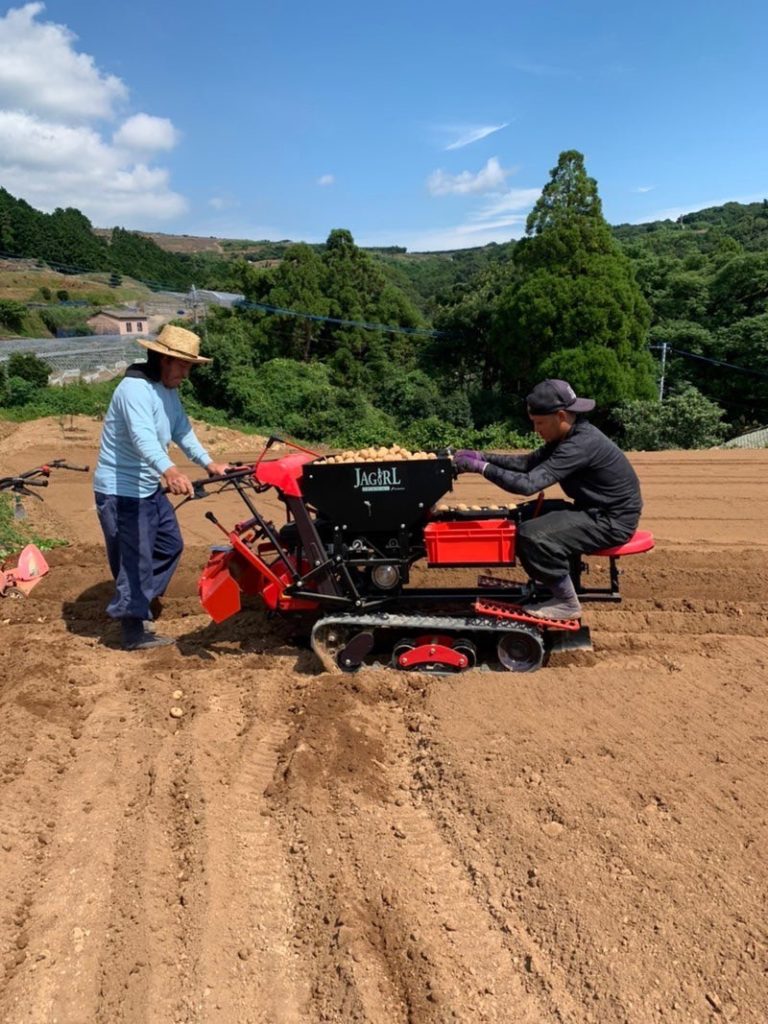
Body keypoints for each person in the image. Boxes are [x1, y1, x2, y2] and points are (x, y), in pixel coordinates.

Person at [454, 379, 642, 621]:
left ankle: (566, 602)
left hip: (612, 521)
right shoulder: (567, 436)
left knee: (532, 534)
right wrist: (480, 456)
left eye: (539, 423)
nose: (536, 430)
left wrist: (481, 467)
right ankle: (552, 584)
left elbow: (528, 484)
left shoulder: (580, 444)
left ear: (561, 415)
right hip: (594, 511)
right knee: (526, 514)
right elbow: (526, 464)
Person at [93, 324, 230, 650]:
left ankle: (137, 601)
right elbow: (142, 438)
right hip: (121, 491)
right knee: (136, 559)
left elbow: (182, 430)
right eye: (182, 365)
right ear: (162, 360)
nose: (186, 372)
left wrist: (209, 463)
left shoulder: (167, 391)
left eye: (189, 366)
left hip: (146, 489)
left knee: (170, 545)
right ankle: (131, 630)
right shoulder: (134, 390)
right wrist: (169, 471)